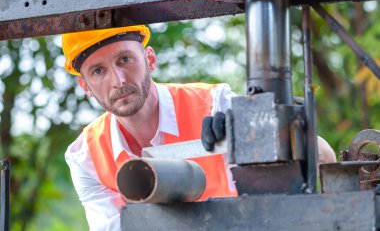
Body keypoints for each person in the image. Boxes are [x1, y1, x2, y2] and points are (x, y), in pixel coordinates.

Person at [63, 25, 336, 231]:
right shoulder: (85, 157)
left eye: (125, 59)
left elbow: (325, 158)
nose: (119, 80)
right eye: (98, 71)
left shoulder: (216, 105)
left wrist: (269, 133)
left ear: (150, 59)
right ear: (85, 85)